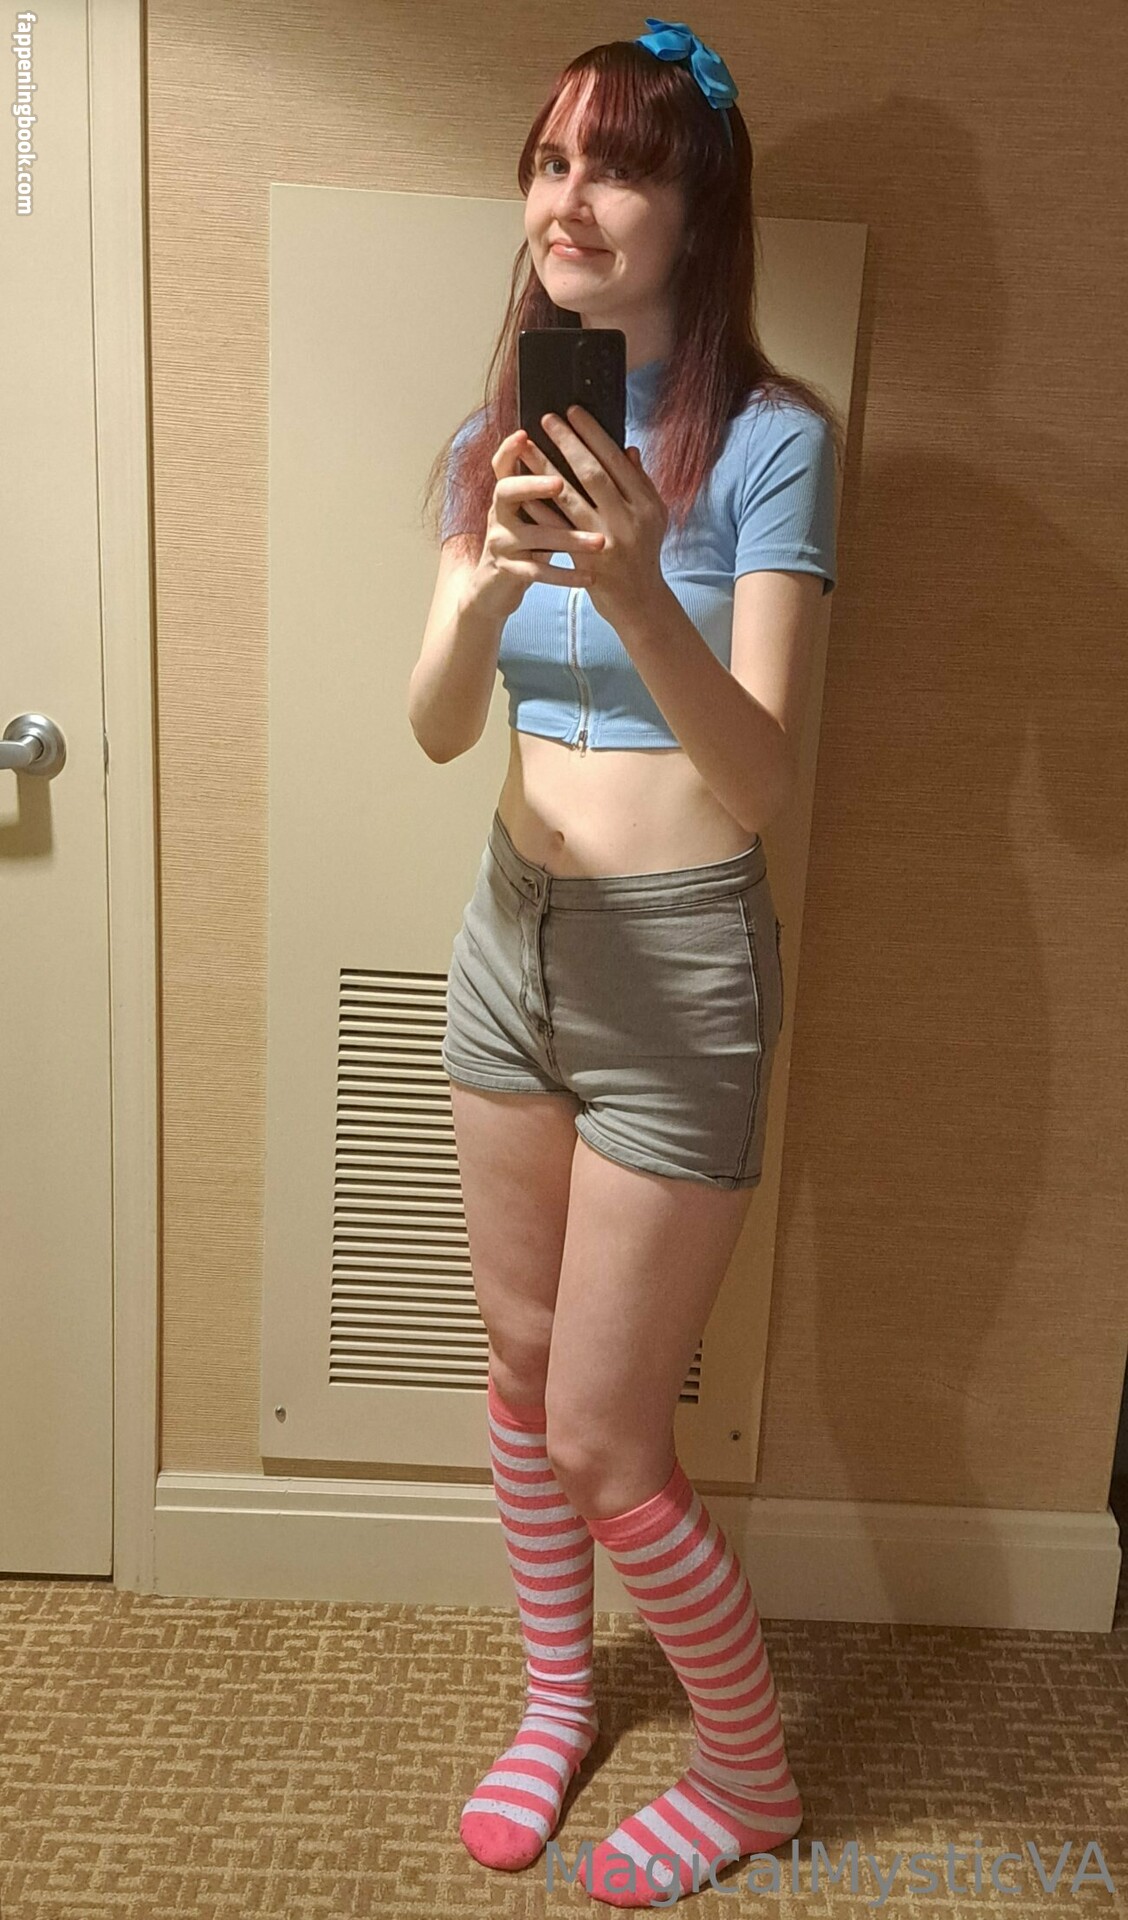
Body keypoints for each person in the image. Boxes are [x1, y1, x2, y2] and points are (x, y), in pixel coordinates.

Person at [409, 18, 840, 1908]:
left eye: (624, 166)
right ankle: (557, 1695)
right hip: (511, 938)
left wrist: (641, 582)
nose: (573, 198)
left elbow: (759, 783)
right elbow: (439, 726)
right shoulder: (492, 436)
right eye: (552, 160)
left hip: (679, 969)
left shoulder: (774, 441)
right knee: (517, 1372)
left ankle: (750, 1774)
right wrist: (492, 579)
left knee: (607, 1436)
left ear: (696, 211)